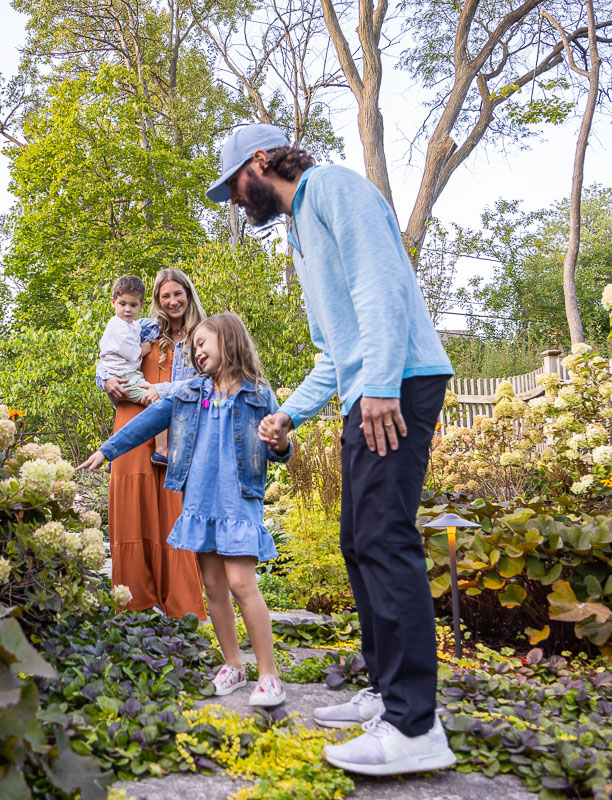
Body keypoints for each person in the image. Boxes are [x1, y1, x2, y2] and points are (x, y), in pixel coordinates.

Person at [208, 124, 456, 774]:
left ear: (261, 162)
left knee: (384, 539)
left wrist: (378, 383)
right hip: (370, 387)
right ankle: (385, 693)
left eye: (235, 184)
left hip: (397, 381)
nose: (236, 200)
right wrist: (289, 414)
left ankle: (414, 726)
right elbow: (331, 351)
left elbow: (381, 286)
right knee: (358, 540)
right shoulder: (298, 231)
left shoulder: (332, 188)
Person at [80, 313, 292, 706]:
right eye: (194, 347)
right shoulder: (190, 393)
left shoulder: (260, 395)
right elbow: (147, 423)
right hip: (198, 502)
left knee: (242, 584)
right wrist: (107, 450)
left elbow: (278, 447)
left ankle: (269, 674)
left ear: (228, 343)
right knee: (212, 586)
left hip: (238, 502)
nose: (196, 351)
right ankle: (233, 664)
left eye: (203, 344)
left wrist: (279, 443)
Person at [94, 267, 208, 619]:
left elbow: (208, 382)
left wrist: (163, 391)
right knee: (131, 505)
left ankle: (181, 605)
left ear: (188, 295)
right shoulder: (144, 327)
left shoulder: (203, 335)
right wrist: (105, 379)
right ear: (156, 302)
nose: (172, 301)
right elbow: (108, 358)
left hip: (175, 430)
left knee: (170, 508)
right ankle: (133, 601)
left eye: (178, 294)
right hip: (132, 418)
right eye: (165, 296)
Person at [96, 275, 168, 462]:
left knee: (127, 418)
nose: (127, 309)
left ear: (141, 305)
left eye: (133, 305)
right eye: (122, 304)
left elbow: (154, 323)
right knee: (158, 402)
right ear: (113, 302)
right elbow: (134, 353)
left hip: (125, 375)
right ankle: (162, 449)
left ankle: (115, 457)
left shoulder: (133, 324)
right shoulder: (117, 326)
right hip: (124, 377)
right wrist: (148, 345)